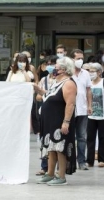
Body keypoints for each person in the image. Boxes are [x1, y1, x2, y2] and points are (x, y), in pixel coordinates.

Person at [36, 56, 78, 186]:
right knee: (51, 148)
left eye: (56, 68)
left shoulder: (69, 83)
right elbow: (49, 96)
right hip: (50, 121)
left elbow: (70, 104)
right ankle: (50, 173)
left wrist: (66, 122)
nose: (54, 70)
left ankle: (61, 177)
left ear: (64, 70)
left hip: (59, 120)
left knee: (60, 148)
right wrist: (38, 89)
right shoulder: (56, 82)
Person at [35, 55, 58, 176]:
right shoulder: (43, 80)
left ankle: (57, 168)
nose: (50, 66)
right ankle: (44, 167)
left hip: (56, 112)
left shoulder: (60, 80)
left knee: (56, 139)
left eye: (53, 64)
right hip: (44, 112)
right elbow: (38, 96)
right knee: (44, 139)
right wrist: (45, 94)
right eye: (48, 63)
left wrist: (45, 94)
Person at [70, 49, 92, 170]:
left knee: (82, 137)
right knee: (69, 137)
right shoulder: (68, 73)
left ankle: (82, 161)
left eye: (81, 58)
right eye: (78, 58)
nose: (80, 60)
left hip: (82, 109)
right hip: (70, 109)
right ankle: (69, 160)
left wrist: (90, 105)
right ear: (72, 59)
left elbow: (89, 90)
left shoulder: (86, 73)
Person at [86, 62, 104, 168]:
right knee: (90, 138)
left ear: (99, 72)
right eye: (89, 71)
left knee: (103, 137)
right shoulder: (89, 83)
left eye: (93, 71)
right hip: (91, 115)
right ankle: (89, 160)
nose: (90, 73)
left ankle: (102, 159)